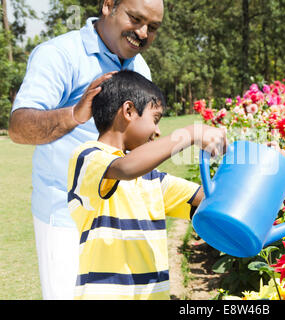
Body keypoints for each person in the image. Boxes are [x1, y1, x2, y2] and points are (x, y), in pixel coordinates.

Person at [8, 0, 165, 299]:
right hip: (67, 219)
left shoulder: (140, 66)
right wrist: (74, 114)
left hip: (122, 220)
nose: (143, 33)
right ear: (108, 5)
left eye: (153, 28)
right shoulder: (59, 55)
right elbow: (18, 128)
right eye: (135, 18)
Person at [67, 70, 227, 299]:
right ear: (129, 111)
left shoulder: (152, 180)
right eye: (156, 119)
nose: (158, 131)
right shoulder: (87, 158)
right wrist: (189, 134)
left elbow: (210, 198)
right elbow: (125, 168)